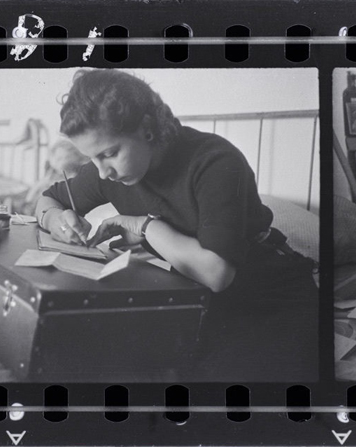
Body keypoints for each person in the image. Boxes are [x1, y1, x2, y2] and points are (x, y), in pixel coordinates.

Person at [35, 69, 318, 381]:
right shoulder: (109, 170)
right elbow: (48, 200)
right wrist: (58, 221)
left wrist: (143, 226)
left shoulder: (215, 161)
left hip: (266, 293)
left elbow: (217, 273)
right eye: (93, 158)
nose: (103, 173)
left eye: (110, 153)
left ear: (146, 128)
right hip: (192, 294)